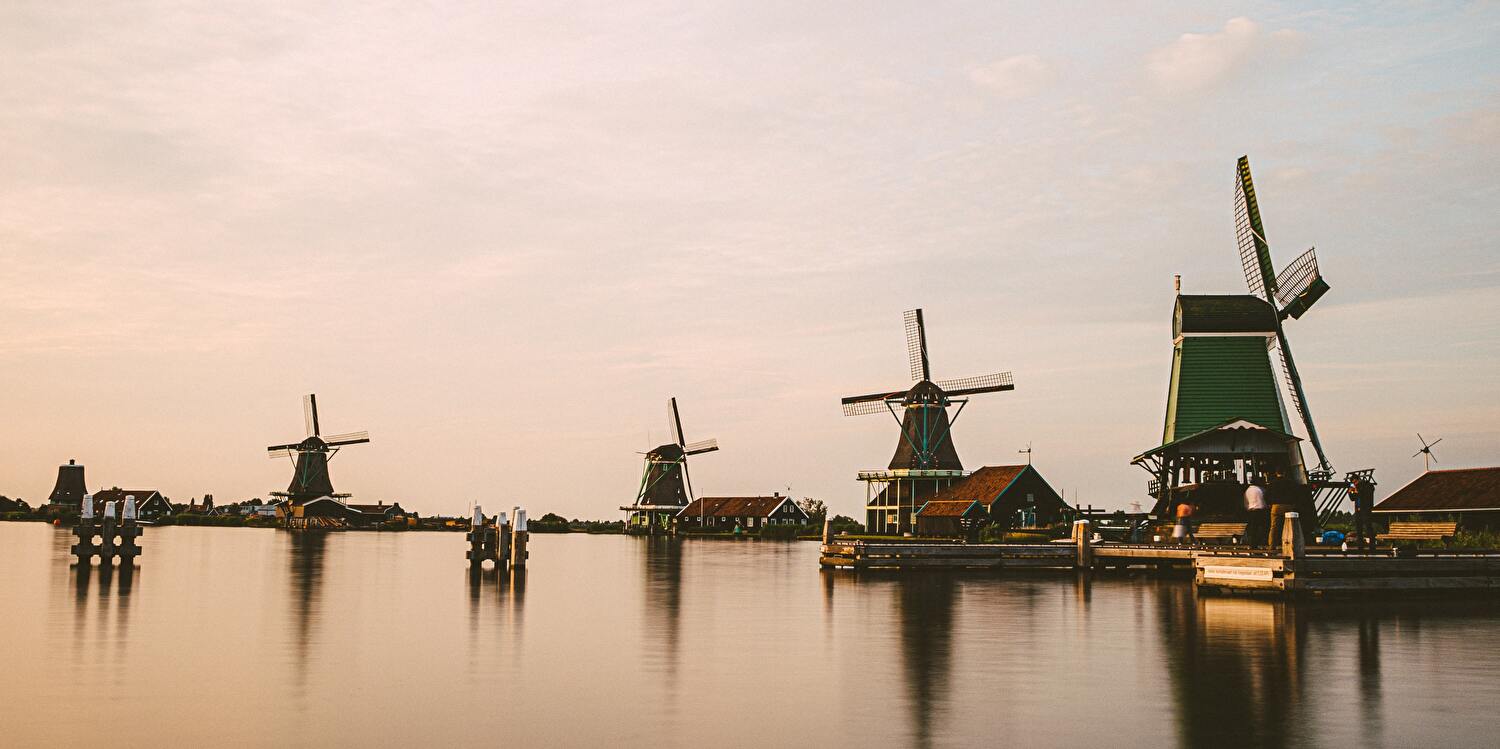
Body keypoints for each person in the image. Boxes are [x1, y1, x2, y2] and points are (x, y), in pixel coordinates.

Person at [1244, 479, 1268, 547]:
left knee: (1253, 528)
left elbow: (1245, 502)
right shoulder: (1261, 489)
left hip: (1251, 511)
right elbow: (1264, 500)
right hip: (1261, 511)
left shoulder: (1247, 491)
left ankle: (1253, 543)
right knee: (1263, 527)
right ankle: (1263, 542)